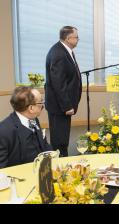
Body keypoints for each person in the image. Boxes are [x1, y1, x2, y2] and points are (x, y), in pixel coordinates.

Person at [45, 26, 82, 157]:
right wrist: (67, 105)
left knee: (63, 138)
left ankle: (62, 162)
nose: (78, 39)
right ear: (68, 38)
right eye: (76, 37)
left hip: (61, 104)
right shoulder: (59, 53)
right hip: (59, 106)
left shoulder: (65, 50)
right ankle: (60, 165)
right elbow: (58, 83)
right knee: (59, 140)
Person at [0, 87, 52, 168]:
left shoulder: (33, 119)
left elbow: (44, 145)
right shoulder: (4, 131)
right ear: (31, 108)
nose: (43, 104)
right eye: (41, 102)